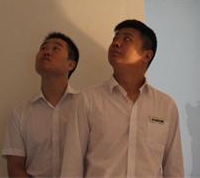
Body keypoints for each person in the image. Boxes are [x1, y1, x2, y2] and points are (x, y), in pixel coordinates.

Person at [60, 19, 183, 177]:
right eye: (115, 38)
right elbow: (71, 165)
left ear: (147, 55)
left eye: (127, 39)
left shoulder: (166, 105)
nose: (116, 43)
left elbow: (174, 167)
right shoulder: (88, 99)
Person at [3, 32, 80, 177]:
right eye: (43, 48)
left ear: (71, 64)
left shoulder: (85, 105)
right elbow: (15, 167)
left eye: (56, 48)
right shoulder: (21, 112)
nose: (47, 52)